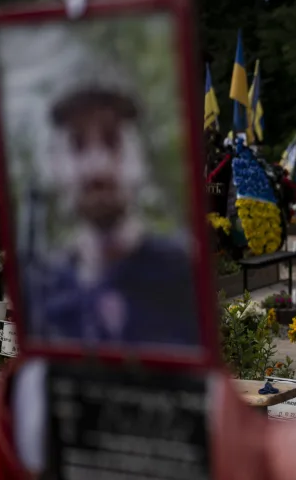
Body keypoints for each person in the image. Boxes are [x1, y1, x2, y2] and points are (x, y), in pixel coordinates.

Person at [28, 64, 199, 347]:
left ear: (139, 159)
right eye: (77, 144)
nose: (97, 167)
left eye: (112, 141)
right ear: (56, 166)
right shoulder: (43, 291)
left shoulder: (184, 274)